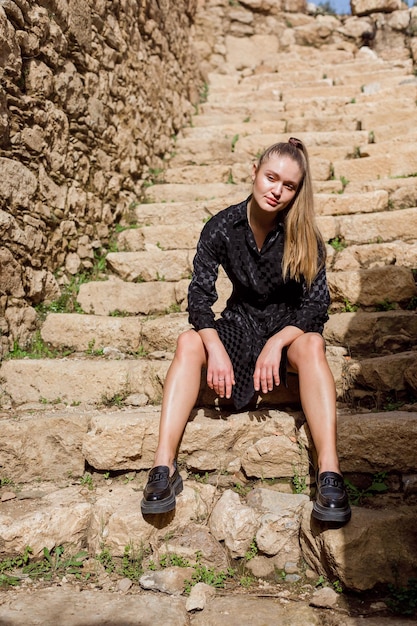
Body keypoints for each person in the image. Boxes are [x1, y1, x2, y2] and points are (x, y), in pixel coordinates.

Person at [141, 138, 351, 524]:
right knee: (189, 342)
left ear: (296, 191)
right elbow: (200, 298)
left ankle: (330, 472)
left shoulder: (304, 236)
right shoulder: (221, 227)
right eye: (271, 178)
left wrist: (277, 342)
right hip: (238, 325)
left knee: (314, 344)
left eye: (289, 186)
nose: (277, 191)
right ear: (254, 172)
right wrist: (214, 347)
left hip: (286, 331)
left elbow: (316, 306)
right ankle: (163, 468)